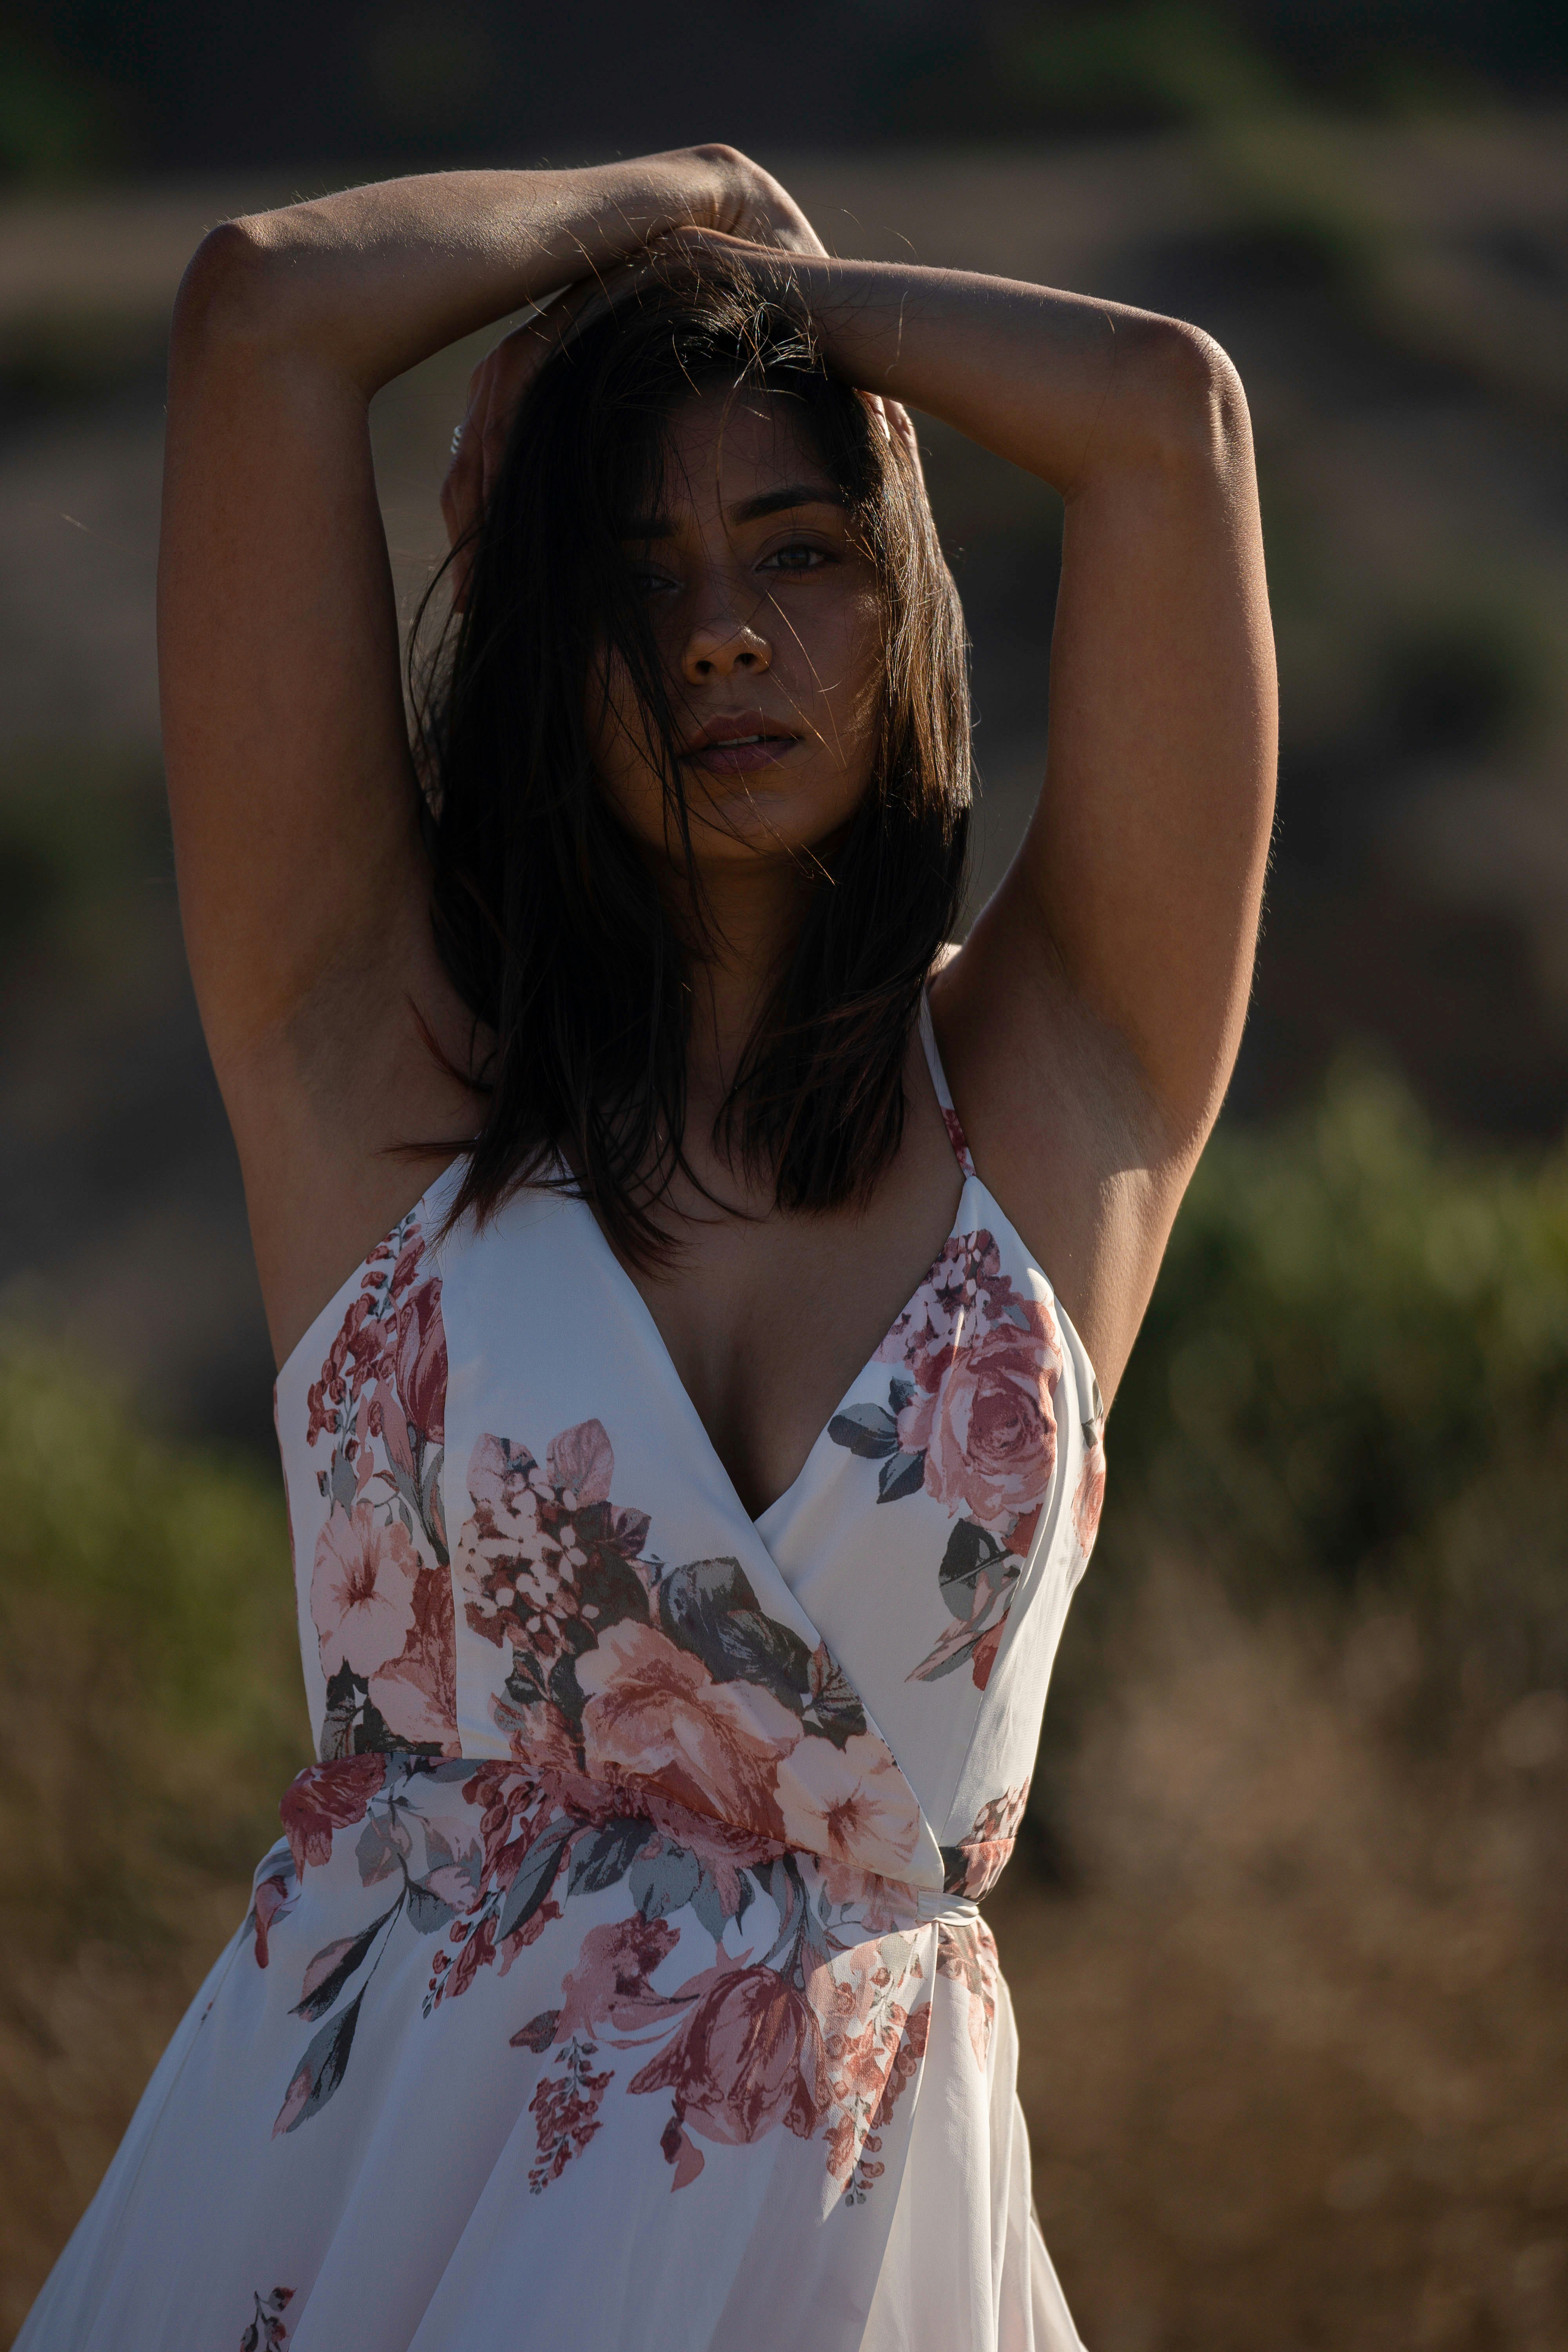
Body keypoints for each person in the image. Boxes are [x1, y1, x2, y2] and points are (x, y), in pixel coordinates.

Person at [18, 146, 1274, 2352]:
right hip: (346, 2221)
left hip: (850, 2263)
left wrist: (777, 308)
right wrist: (671, 201)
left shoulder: (1061, 1097)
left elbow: (1172, 416)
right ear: (533, 622)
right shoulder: (374, 1075)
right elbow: (259, 317)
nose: (719, 630)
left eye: (801, 556)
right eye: (635, 572)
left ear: (905, 600)